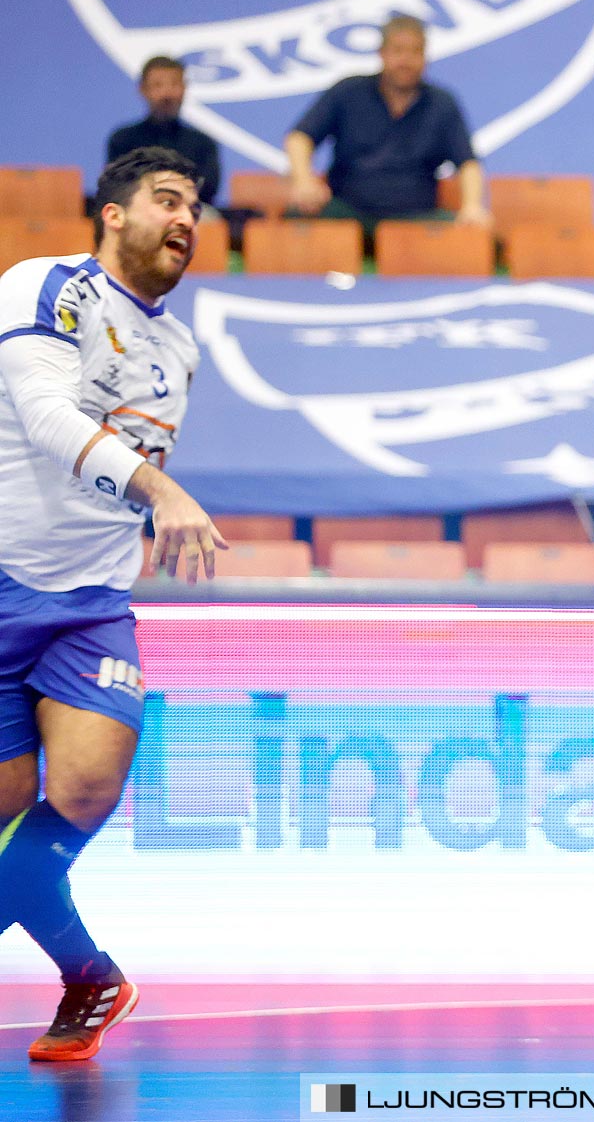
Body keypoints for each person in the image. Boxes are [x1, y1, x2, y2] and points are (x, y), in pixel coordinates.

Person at [0, 146, 226, 1063]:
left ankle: (93, 984)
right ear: (113, 214)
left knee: (84, 791)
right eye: (166, 200)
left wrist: (147, 500)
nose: (186, 219)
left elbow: (117, 469)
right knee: (9, 816)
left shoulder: (179, 350)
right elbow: (48, 417)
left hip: (91, 603)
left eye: (196, 208)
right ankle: (91, 977)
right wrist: (162, 494)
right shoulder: (43, 287)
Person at [284, 15, 490, 234]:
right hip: (347, 214)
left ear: (425, 57)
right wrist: (304, 180)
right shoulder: (348, 92)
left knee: (465, 233)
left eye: (415, 52)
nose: (406, 60)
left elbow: (468, 163)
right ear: (382, 54)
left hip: (415, 220)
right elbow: (299, 138)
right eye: (398, 50)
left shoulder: (441, 103)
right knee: (297, 217)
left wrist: (473, 206)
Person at [105, 57, 221, 211]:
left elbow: (208, 189)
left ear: (185, 88)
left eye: (174, 84)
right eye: (158, 85)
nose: (167, 94)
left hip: (189, 211)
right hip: (137, 212)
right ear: (143, 90)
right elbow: (116, 185)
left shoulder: (203, 143)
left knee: (208, 217)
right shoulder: (123, 139)